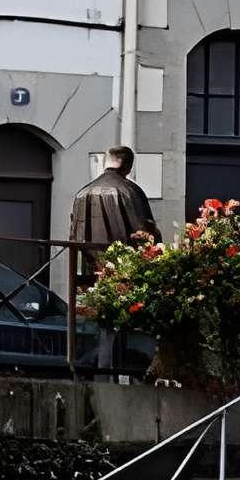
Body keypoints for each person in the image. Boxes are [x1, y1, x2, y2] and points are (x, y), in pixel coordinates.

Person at [67, 146, 157, 370]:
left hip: (90, 275)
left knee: (99, 329)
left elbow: (74, 237)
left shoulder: (82, 193)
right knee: (123, 333)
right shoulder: (130, 191)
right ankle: (115, 370)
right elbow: (146, 234)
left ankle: (96, 368)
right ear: (128, 165)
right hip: (124, 275)